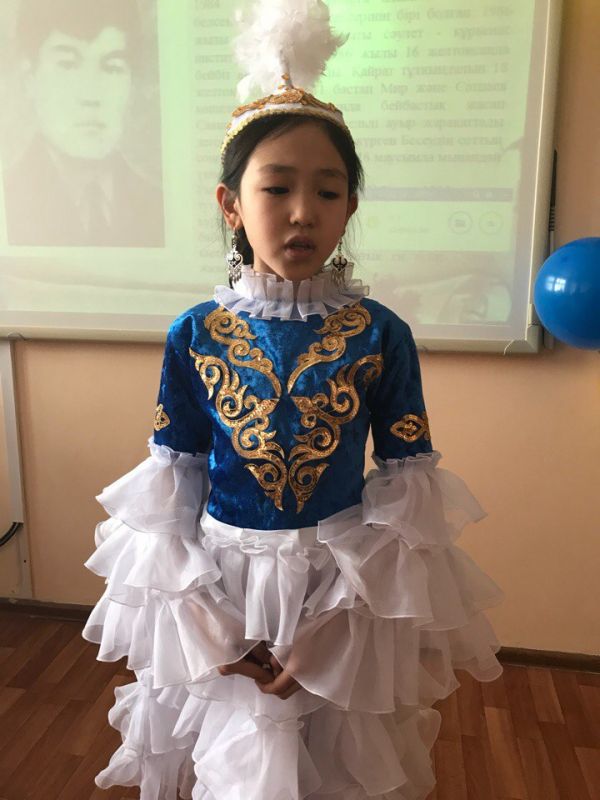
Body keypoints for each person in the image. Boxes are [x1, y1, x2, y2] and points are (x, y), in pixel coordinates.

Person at [82, 3, 504, 797]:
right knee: (236, 761)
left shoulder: (379, 334)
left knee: (335, 763)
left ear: (350, 208)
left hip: (338, 591)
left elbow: (406, 496)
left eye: (328, 191)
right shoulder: (196, 333)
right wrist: (210, 626)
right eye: (276, 187)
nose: (303, 212)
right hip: (223, 588)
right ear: (231, 203)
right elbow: (173, 490)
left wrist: (335, 628)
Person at [2, 0, 164, 247]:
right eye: (67, 65)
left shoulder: (157, 204)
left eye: (112, 67)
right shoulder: (8, 197)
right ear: (29, 79)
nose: (91, 95)